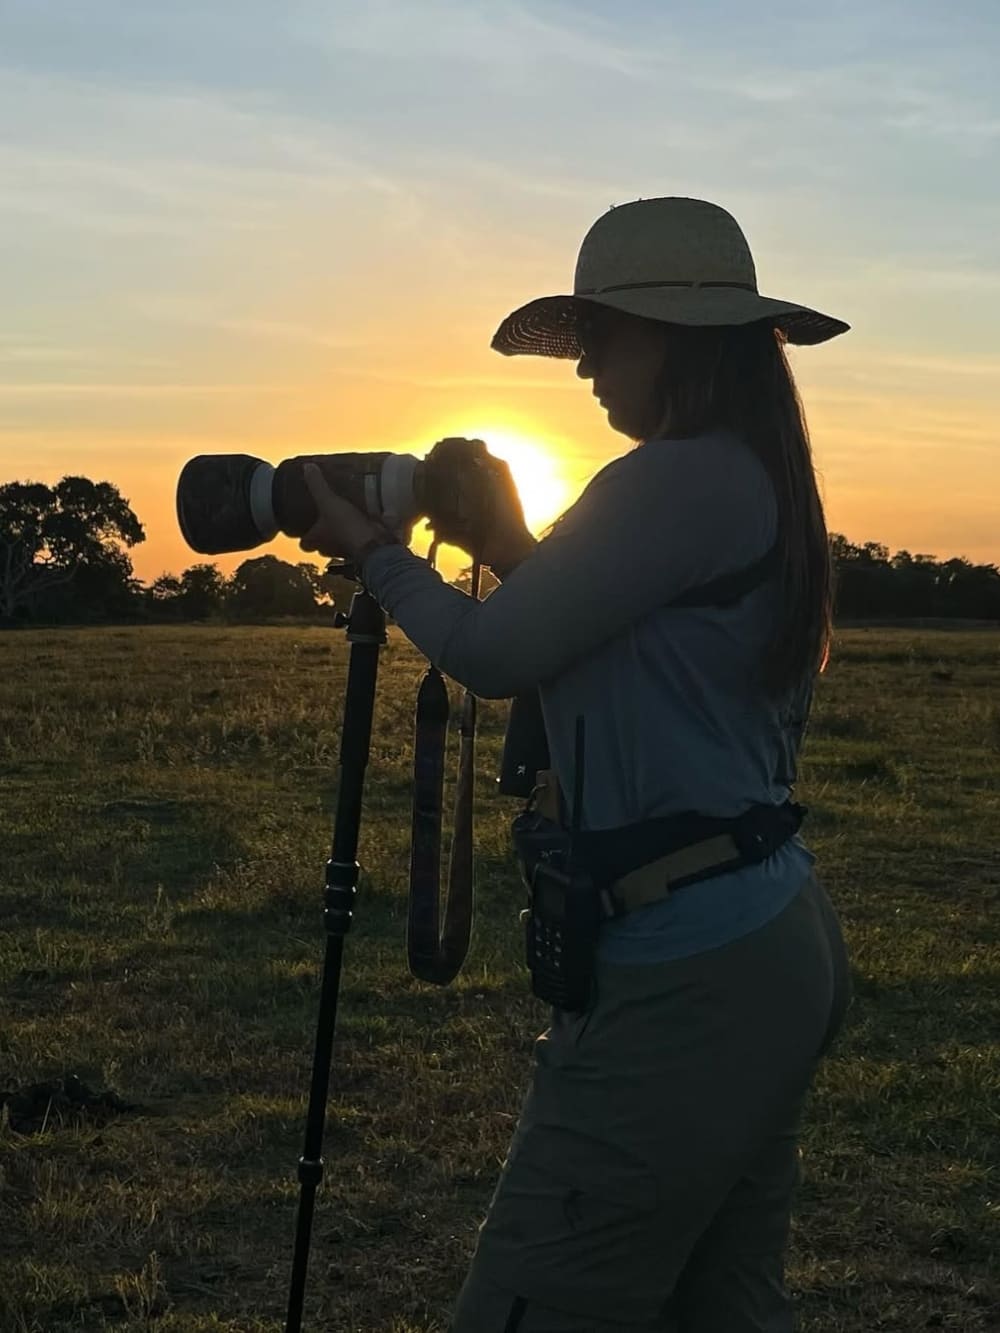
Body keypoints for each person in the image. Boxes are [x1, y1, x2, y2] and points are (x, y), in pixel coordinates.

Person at [299, 197, 854, 1333]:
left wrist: (371, 553)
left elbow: (495, 657)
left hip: (685, 980)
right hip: (755, 944)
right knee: (722, 1308)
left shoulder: (675, 479)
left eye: (608, 330)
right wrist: (508, 547)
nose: (588, 360)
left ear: (681, 341)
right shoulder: (747, 478)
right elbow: (602, 648)